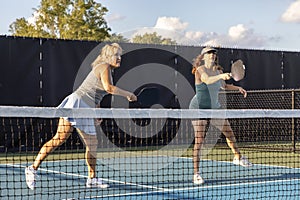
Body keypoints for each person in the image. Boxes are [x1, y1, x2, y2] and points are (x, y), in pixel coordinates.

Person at [25, 43, 137, 190]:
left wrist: (96, 112)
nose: (119, 58)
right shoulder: (104, 66)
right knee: (60, 139)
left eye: (120, 55)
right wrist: (128, 94)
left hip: (86, 107)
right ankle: (32, 169)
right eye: (116, 55)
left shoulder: (108, 70)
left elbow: (95, 92)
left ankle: (92, 178)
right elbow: (108, 89)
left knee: (91, 144)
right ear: (108, 56)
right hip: (77, 103)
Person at [189, 47, 252, 185]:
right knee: (199, 141)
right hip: (199, 108)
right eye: (209, 53)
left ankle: (238, 157)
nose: (212, 55)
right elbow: (207, 80)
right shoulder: (200, 70)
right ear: (203, 56)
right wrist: (220, 76)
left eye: (213, 53)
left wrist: (237, 88)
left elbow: (223, 85)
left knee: (229, 133)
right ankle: (196, 174)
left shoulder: (218, 71)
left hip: (215, 107)